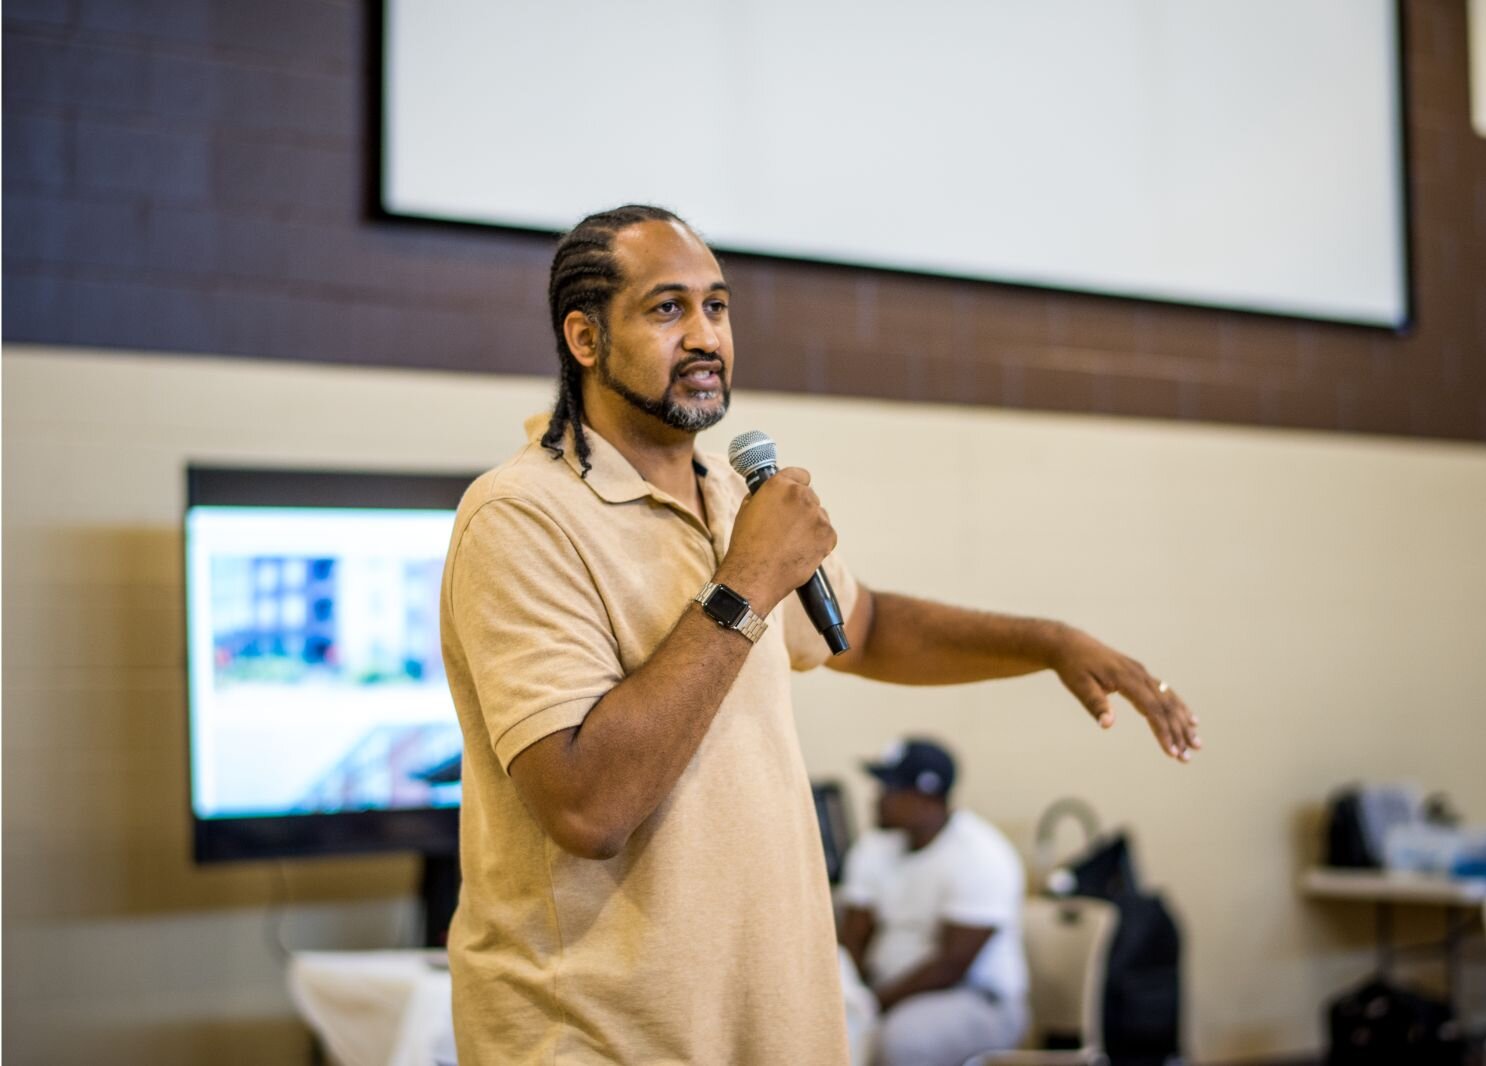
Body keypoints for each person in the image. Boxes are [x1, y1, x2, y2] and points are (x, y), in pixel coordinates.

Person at [439, 203, 1200, 1065]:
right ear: (584, 338)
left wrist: (1049, 641)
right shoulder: (520, 516)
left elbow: (863, 628)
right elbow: (587, 805)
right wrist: (748, 579)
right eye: (666, 309)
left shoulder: (731, 498)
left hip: (769, 1024)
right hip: (602, 1035)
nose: (705, 337)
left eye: (717, 307)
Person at [839, 738, 1029, 1066]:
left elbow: (951, 964)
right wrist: (848, 994)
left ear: (926, 799)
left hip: (972, 999)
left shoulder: (981, 854)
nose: (877, 799)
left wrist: (870, 1004)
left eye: (890, 790)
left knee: (903, 1042)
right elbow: (854, 934)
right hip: (884, 992)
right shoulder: (874, 846)